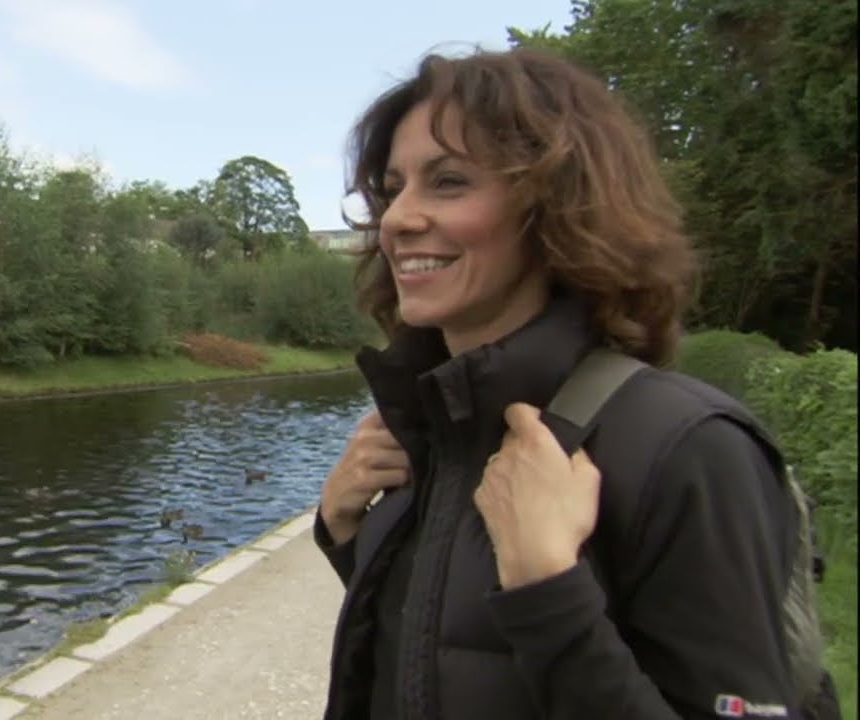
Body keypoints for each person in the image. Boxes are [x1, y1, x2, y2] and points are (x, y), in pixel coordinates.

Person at [313, 46, 804, 719]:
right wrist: (347, 536)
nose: (398, 219)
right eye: (393, 188)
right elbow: (449, 653)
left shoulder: (690, 449)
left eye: (449, 181)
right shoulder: (433, 426)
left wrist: (548, 590)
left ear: (557, 205)